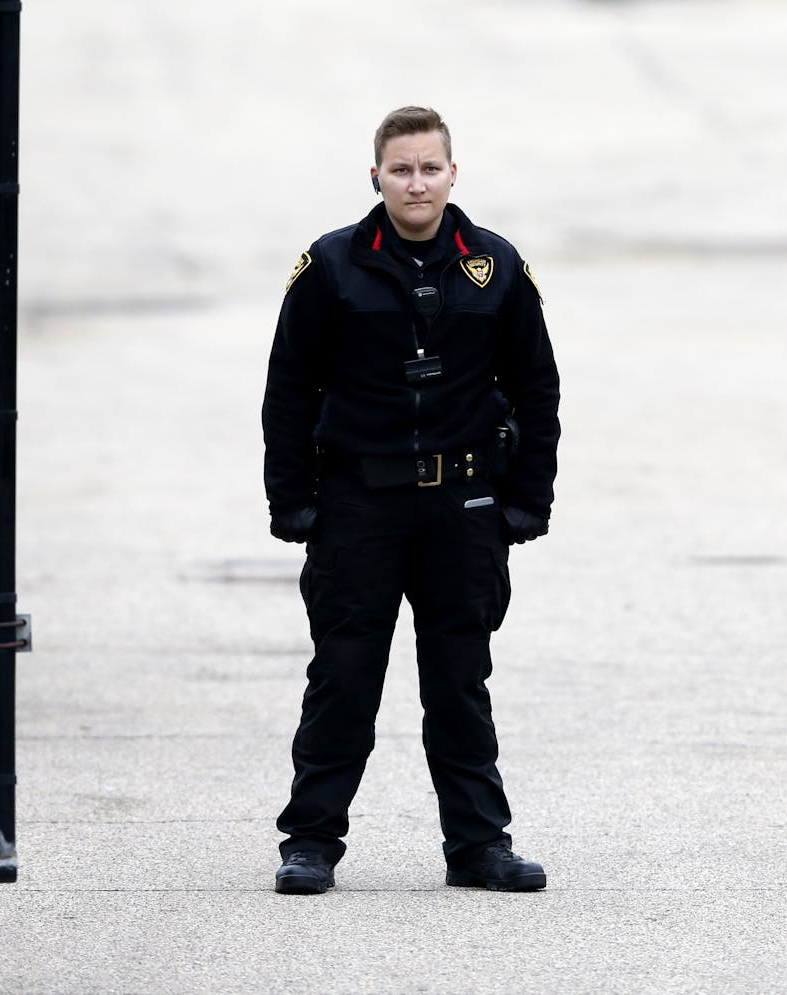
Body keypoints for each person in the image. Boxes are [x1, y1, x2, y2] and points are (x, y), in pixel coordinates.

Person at [261, 106, 561, 895]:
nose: (416, 182)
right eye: (401, 169)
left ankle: (478, 847)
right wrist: (290, 499)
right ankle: (311, 842)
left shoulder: (494, 268)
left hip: (463, 505)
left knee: (459, 680)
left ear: (454, 173)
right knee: (344, 676)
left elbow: (537, 386)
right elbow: (288, 389)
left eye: (430, 168)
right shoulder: (331, 267)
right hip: (360, 504)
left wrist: (529, 497)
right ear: (376, 177)